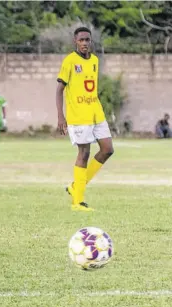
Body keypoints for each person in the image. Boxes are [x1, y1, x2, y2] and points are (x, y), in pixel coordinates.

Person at [56, 27, 114, 212]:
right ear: (75, 41)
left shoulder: (95, 60)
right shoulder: (69, 61)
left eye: (87, 40)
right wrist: (60, 116)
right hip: (78, 115)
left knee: (107, 149)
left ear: (91, 41)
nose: (84, 43)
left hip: (96, 113)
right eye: (81, 40)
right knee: (84, 154)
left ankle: (76, 186)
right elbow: (59, 90)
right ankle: (77, 202)